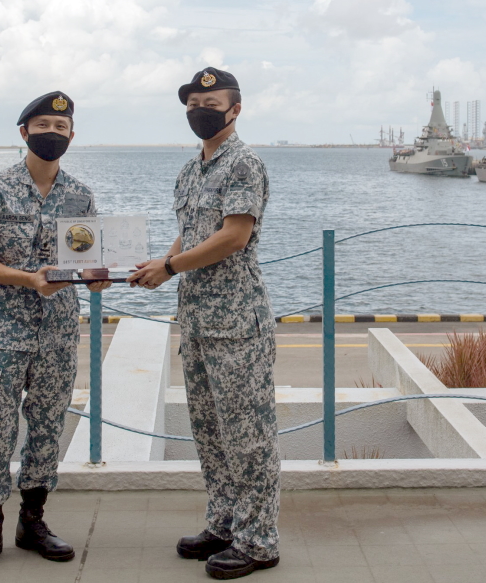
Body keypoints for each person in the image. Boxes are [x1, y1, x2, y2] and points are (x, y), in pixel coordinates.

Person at [128, 68, 280, 580]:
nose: (200, 109)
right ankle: (223, 523)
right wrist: (158, 265)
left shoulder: (244, 164)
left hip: (237, 322)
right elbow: (189, 234)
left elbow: (234, 236)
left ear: (235, 109)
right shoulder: (191, 170)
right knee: (211, 432)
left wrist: (170, 268)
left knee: (249, 436)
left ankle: (259, 541)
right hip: (196, 320)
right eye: (193, 102)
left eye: (210, 101)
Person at [0, 91, 111, 577]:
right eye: (42, 126)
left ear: (71, 137)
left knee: (46, 428)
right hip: (4, 330)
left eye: (61, 128)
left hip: (59, 333)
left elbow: (85, 259)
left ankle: (34, 522)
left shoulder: (80, 195)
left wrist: (98, 277)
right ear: (24, 133)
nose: (52, 134)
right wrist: (27, 279)